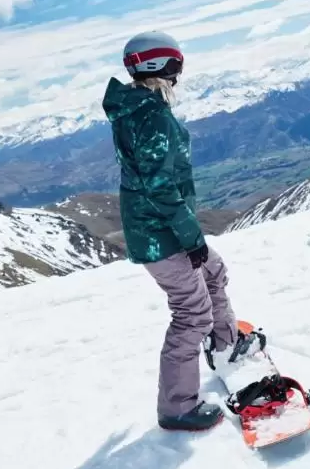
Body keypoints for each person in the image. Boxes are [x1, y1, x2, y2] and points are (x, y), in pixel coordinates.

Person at [101, 31, 263, 431]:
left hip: (161, 227)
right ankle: (176, 407)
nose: (178, 75)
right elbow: (159, 184)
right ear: (160, 66)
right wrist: (191, 239)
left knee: (214, 273)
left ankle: (225, 344)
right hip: (162, 234)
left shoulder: (136, 108)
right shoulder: (150, 114)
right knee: (192, 313)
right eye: (176, 66)